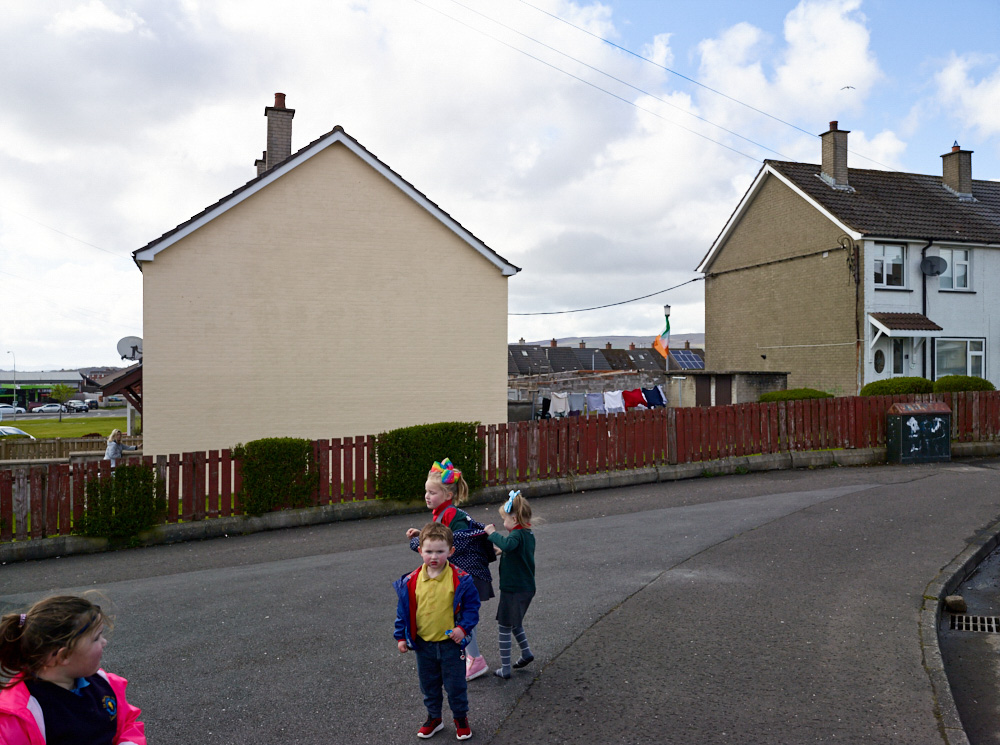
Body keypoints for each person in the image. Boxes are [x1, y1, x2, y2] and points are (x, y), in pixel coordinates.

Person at [0, 595, 147, 745]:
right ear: (64, 656)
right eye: (96, 638)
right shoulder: (21, 715)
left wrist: (129, 742)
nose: (104, 642)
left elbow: (126, 722)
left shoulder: (104, 683)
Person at [405, 458, 495, 681]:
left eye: (432, 492)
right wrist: (421, 535)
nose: (427, 496)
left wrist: (421, 542)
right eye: (426, 491)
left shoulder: (451, 514)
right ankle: (469, 658)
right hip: (461, 574)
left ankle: (475, 660)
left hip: (467, 575)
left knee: (463, 617)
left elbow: (449, 543)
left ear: (447, 495)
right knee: (458, 616)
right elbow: (441, 539)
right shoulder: (443, 513)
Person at [395, 522, 479, 740]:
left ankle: (460, 718)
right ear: (420, 550)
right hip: (423, 645)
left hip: (451, 645)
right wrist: (400, 637)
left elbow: (472, 608)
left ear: (451, 551)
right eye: (428, 551)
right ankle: (434, 718)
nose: (434, 556)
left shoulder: (461, 579)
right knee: (429, 686)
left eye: (440, 551)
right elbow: (403, 611)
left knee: (456, 686)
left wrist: (462, 628)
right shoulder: (411, 581)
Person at [484, 490, 536, 680]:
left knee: (504, 626)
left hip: (514, 588)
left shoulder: (515, 535)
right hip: (525, 587)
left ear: (514, 519)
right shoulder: (527, 534)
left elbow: (508, 545)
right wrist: (500, 552)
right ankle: (526, 653)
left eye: (504, 518)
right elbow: (513, 551)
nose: (503, 522)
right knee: (515, 623)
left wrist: (491, 534)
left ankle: (505, 668)